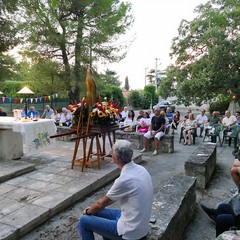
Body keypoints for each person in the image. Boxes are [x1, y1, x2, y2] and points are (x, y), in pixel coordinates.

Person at [77, 140, 153, 240]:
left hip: (130, 232)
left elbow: (101, 203)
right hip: (139, 225)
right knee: (98, 212)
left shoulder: (124, 179)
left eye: (112, 152)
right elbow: (106, 202)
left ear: (116, 158)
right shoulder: (141, 169)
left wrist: (87, 212)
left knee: (83, 221)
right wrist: (93, 210)